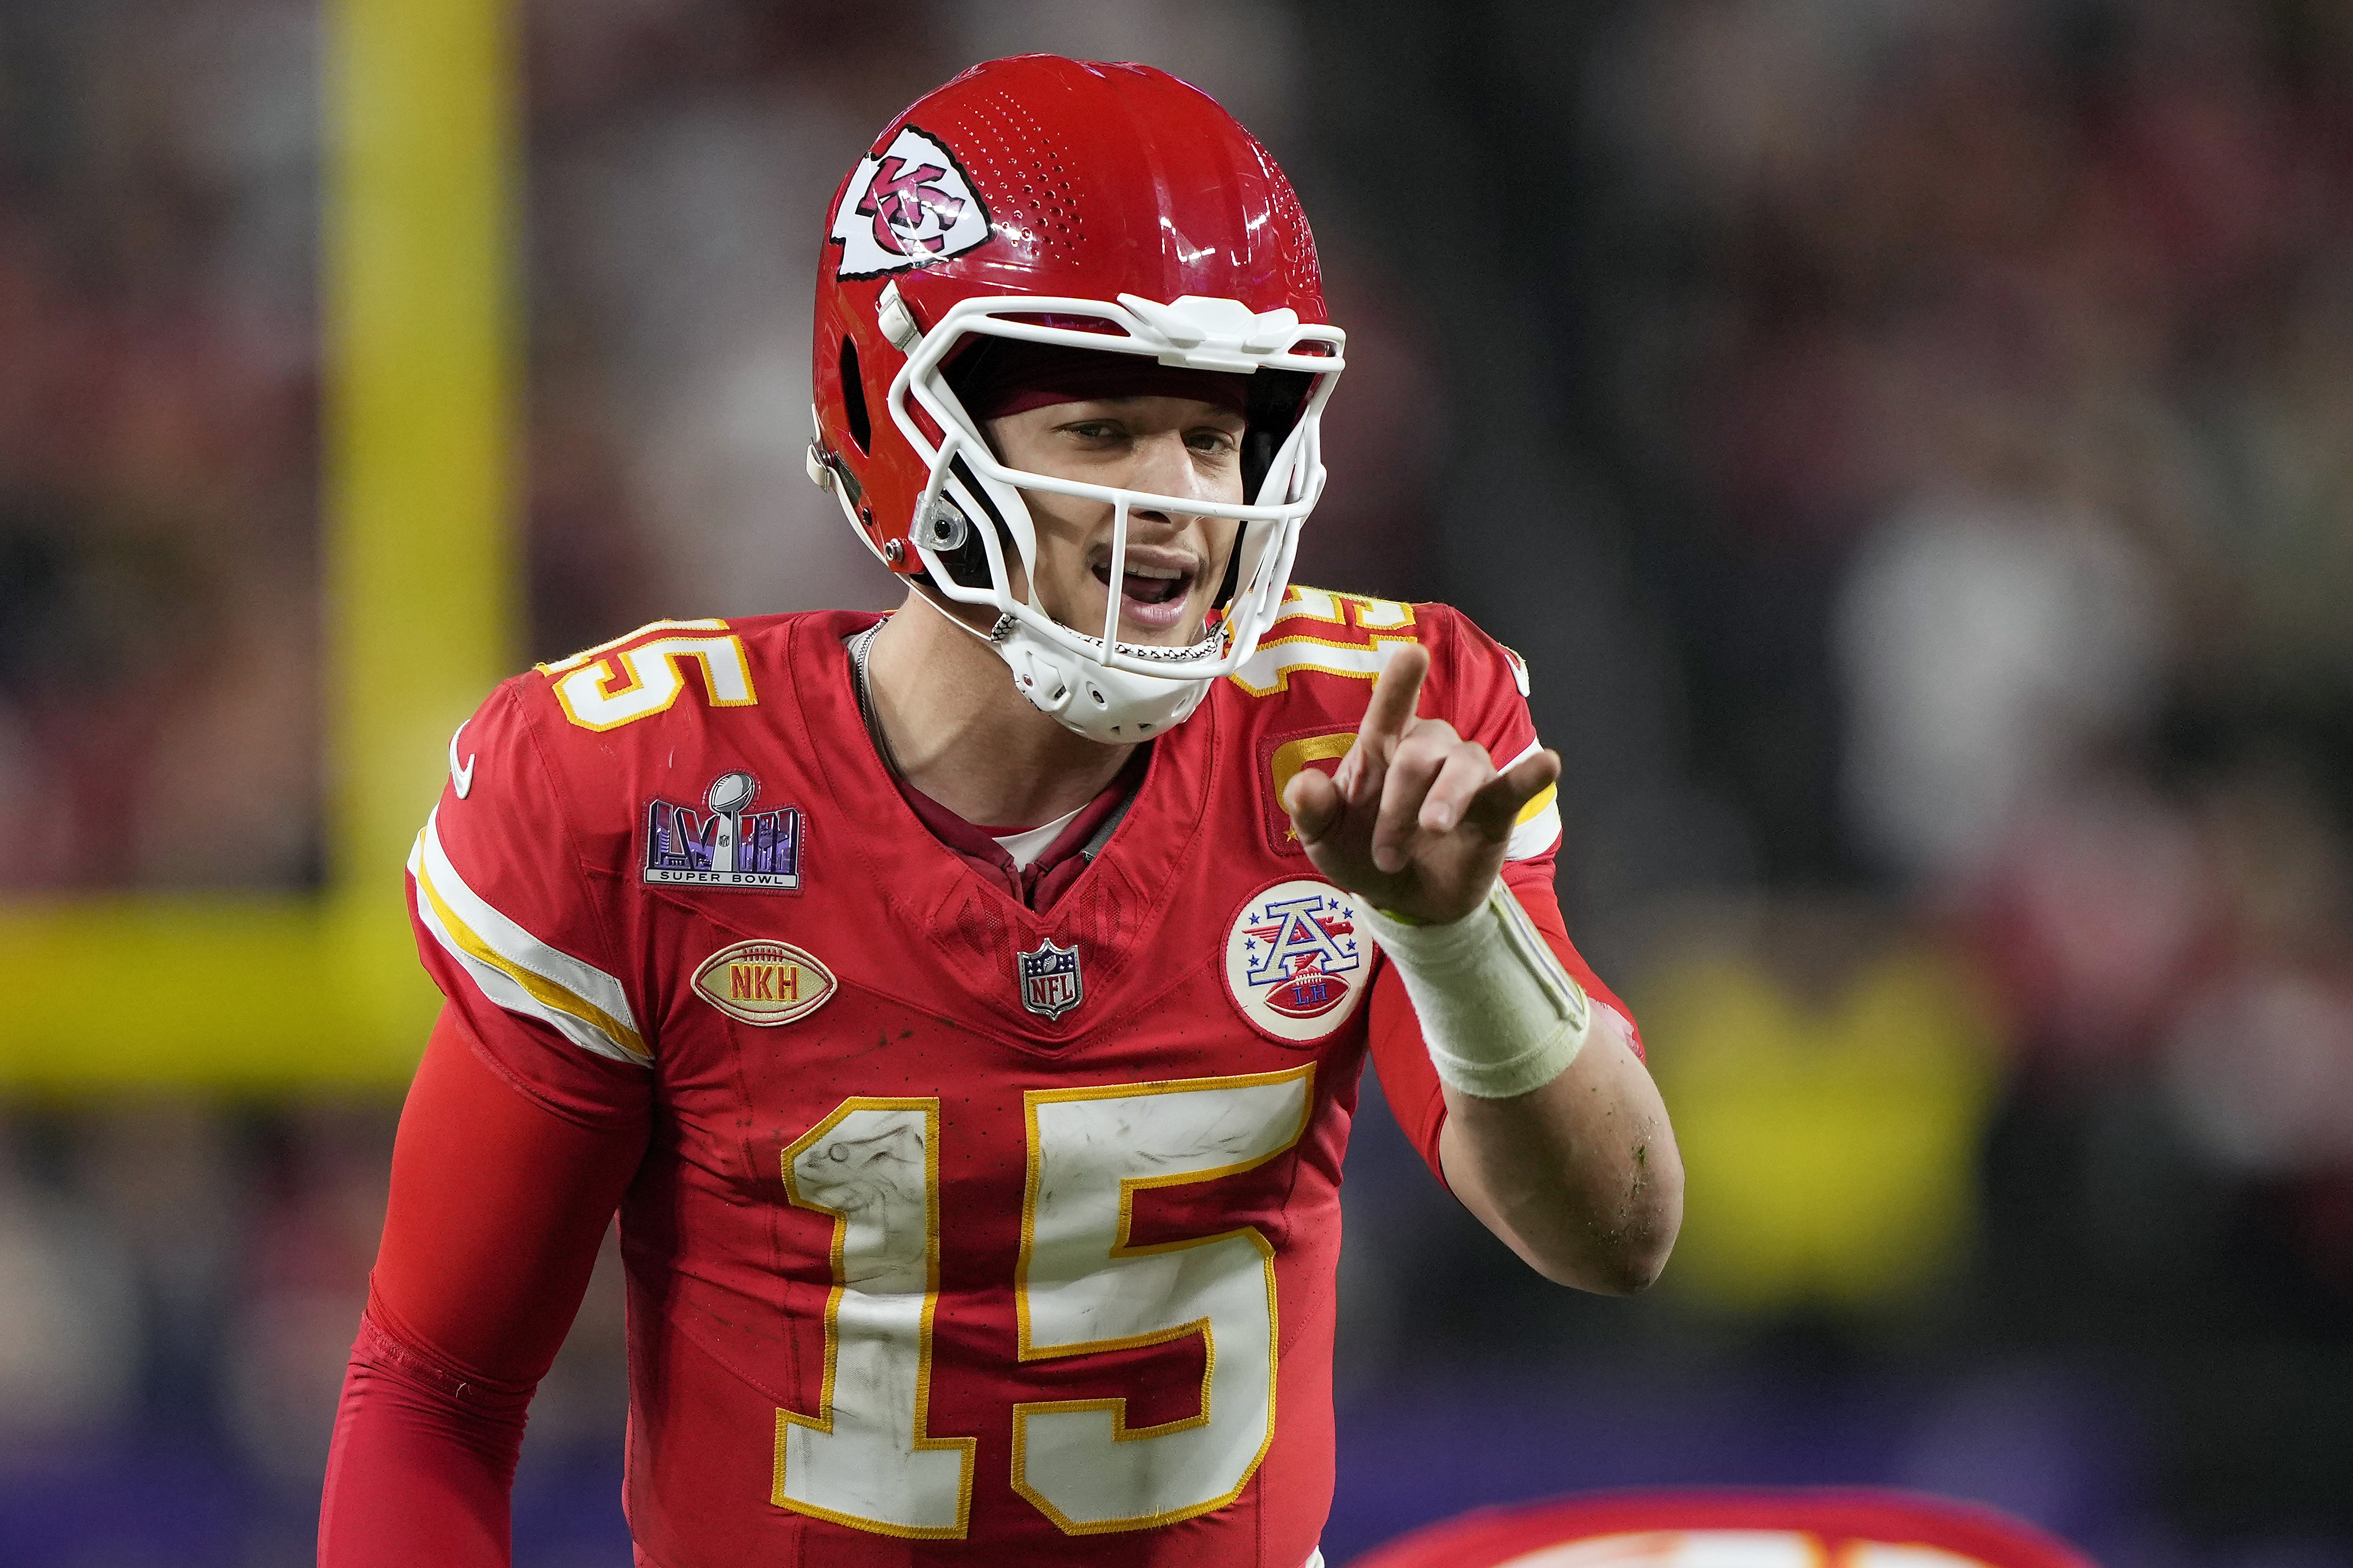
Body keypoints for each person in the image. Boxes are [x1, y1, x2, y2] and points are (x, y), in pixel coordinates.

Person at [317, 54, 1682, 1568]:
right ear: (909, 434)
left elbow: (1616, 1234)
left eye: (1214, 436)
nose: (1179, 497)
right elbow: (434, 1390)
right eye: (1101, 431)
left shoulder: (1366, 729)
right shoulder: (644, 797)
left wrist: (1452, 936)